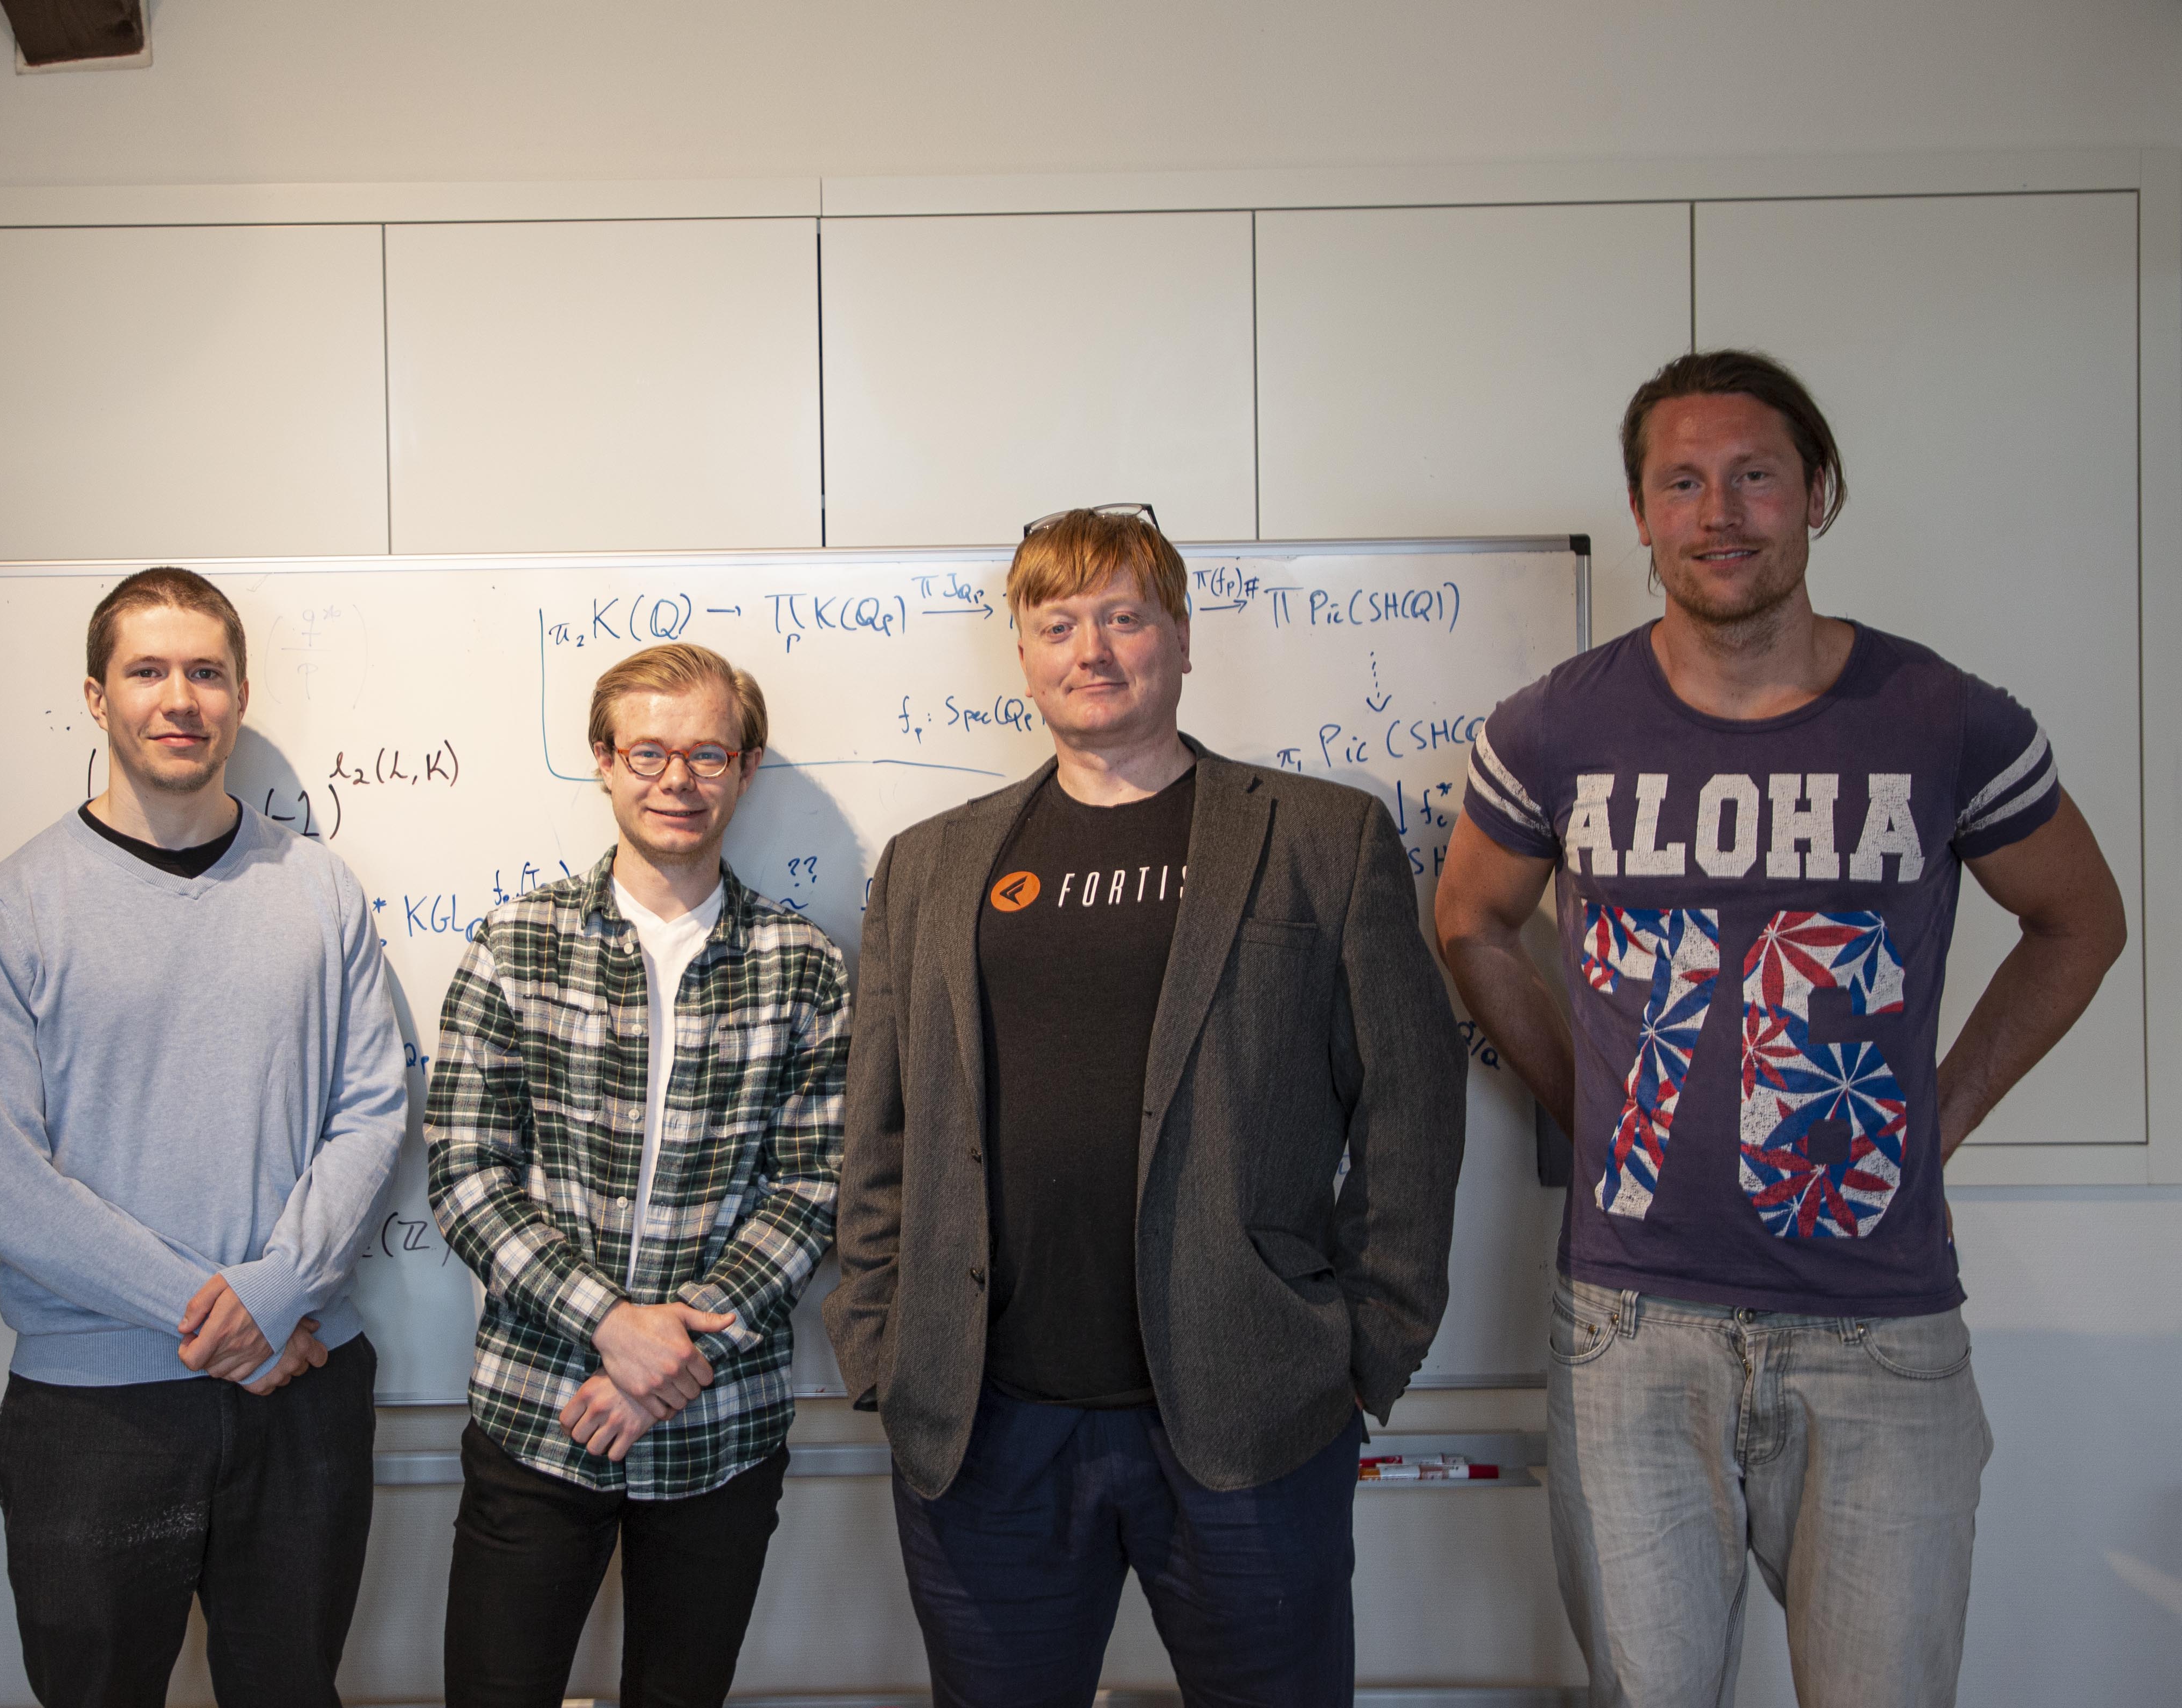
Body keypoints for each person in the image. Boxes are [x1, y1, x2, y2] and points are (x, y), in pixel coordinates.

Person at [1437, 350, 2126, 1707]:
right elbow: (1468, 919)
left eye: (1755, 475)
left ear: (1816, 493)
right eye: (1680, 482)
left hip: (1879, 1336)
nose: (1720, 512)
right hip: (1628, 1331)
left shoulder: (1943, 719)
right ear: (1639, 513)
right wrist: (1596, 1099)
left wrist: (1942, 1116)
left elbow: (2080, 921)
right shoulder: (1556, 728)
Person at [826, 504, 1466, 1707]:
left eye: (1124, 615)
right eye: (1057, 621)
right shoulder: (931, 863)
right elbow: (881, 1130)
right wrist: (878, 1342)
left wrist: (1364, 1348)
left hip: (1250, 1415)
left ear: (1180, 636)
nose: (1093, 649)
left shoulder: (1319, 839)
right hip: (983, 1428)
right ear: (1021, 651)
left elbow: (1411, 1113)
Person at [0, 566, 407, 1708]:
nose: (178, 698)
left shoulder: (321, 892)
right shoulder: (8, 912)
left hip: (304, 1391)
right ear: (96, 698)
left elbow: (374, 1103)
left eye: (205, 672)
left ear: (239, 697)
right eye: (147, 671)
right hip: (96, 1416)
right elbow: (4, 1187)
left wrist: (280, 1290)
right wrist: (234, 1320)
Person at [427, 641, 850, 1708]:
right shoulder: (516, 943)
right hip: (540, 1411)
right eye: (648, 750)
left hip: (720, 1424)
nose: (677, 778)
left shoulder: (803, 963)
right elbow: (467, 1168)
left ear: (745, 769)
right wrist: (613, 1325)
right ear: (604, 762)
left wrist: (676, 1344)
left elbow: (815, 1182)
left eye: (708, 752)